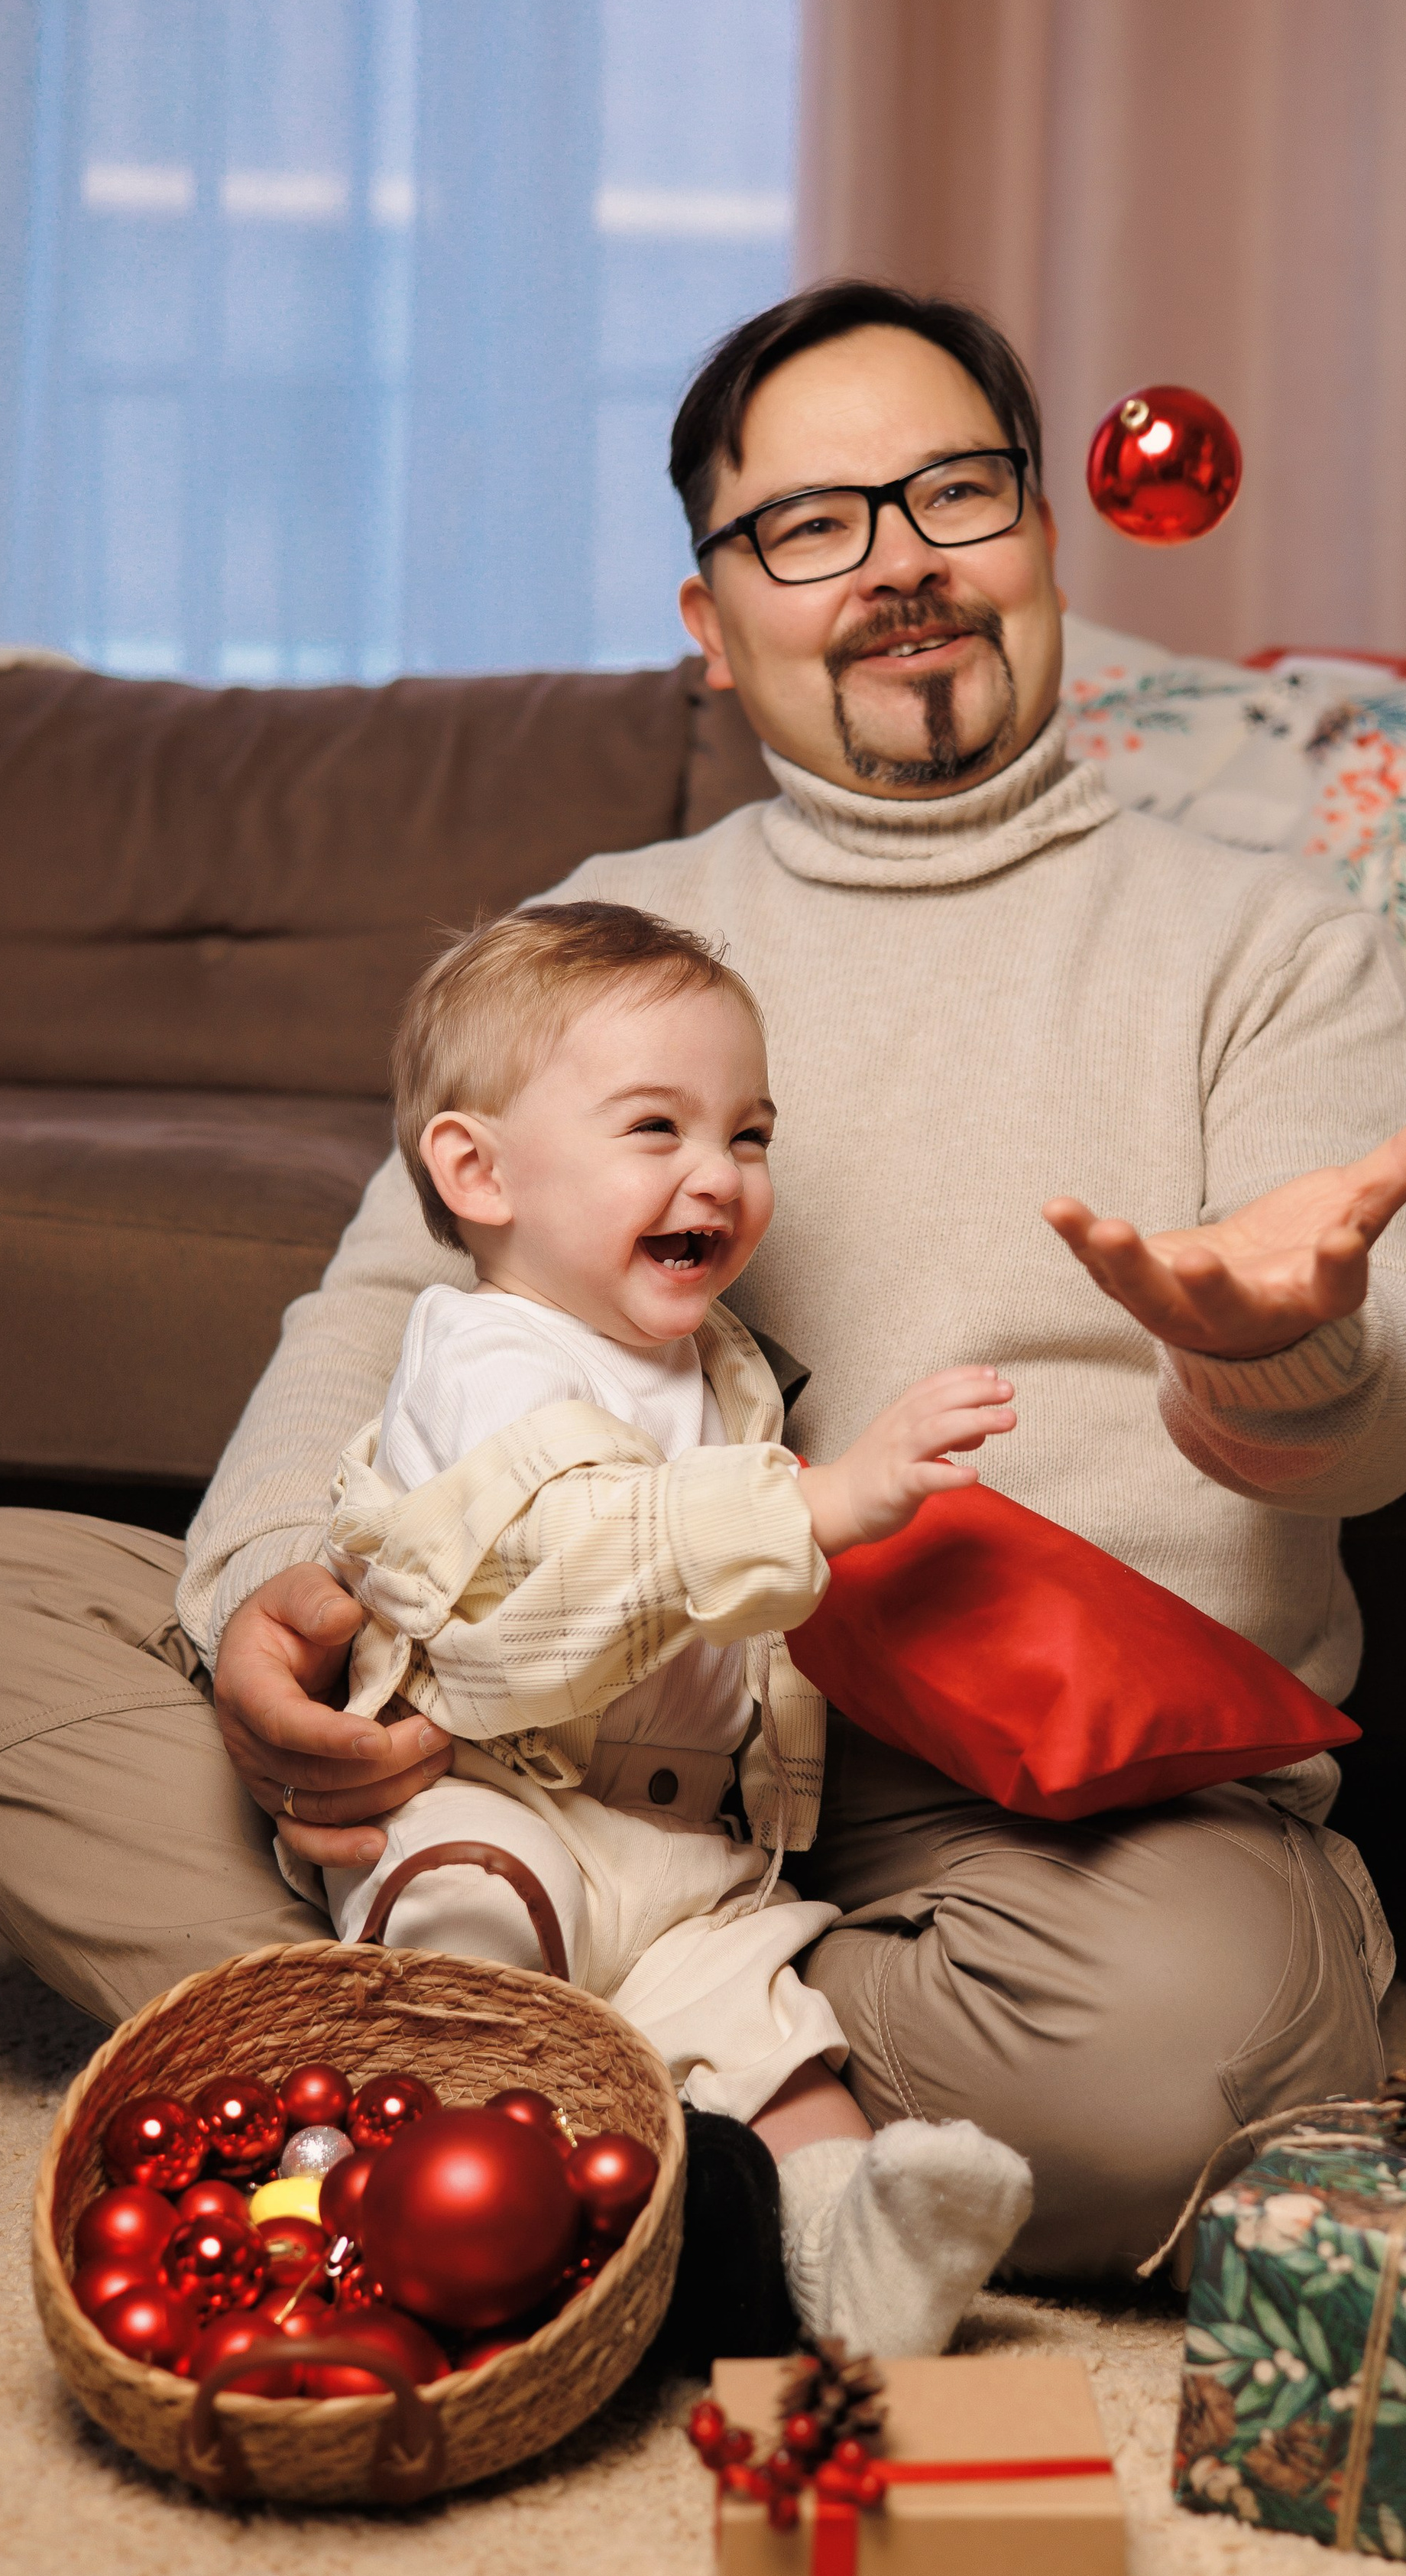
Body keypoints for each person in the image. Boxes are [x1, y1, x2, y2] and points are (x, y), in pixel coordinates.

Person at [0, 278, 1406, 2287]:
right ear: (713, 628)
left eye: (955, 493)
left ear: (1044, 539)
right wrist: (272, 1607)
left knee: (1174, 2084)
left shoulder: (1270, 941)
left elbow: (1402, 1400)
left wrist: (1284, 1348)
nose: (900, 564)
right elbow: (375, 1322)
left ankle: (463, 2090)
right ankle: (750, 2142)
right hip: (538, 1739)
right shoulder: (602, 943)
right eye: (812, 524)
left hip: (1030, 1824)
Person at [319, 893, 1032, 2352]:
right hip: (504, 1798)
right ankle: (373, 2195)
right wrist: (817, 1509)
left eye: (750, 1134)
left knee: (784, 2050)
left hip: (692, 1854)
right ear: (479, 1170)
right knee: (468, 1920)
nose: (720, 1173)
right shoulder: (485, 1357)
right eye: (658, 1130)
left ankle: (857, 2255)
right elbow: (554, 1588)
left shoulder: (719, 1371)